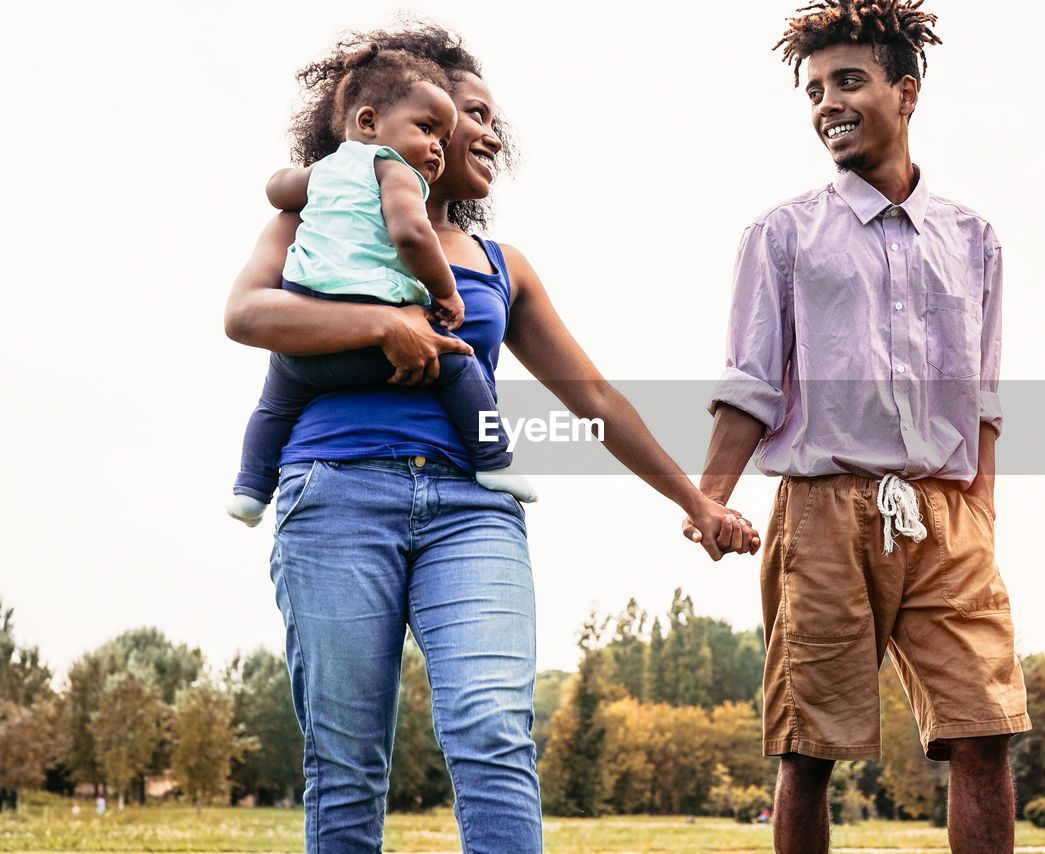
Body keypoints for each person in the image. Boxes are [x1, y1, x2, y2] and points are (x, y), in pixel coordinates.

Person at [224, 22, 759, 854]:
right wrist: (381, 323)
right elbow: (247, 315)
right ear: (391, 117)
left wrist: (698, 499)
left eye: (478, 118)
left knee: (492, 731)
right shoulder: (312, 217)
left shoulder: (500, 262)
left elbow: (593, 396)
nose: (484, 133)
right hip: (332, 494)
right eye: (466, 112)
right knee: (346, 758)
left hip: (472, 507)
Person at [684, 2, 1029, 852]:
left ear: (906, 92)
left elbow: (984, 398)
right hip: (823, 514)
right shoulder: (782, 235)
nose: (828, 104)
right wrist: (708, 496)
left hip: (946, 518)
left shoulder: (974, 238)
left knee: (984, 729)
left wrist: (979, 510)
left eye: (850, 81)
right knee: (812, 748)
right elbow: (749, 385)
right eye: (814, 90)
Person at [227, 45, 533, 528]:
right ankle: (495, 460)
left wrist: (291, 182)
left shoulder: (321, 184)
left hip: (306, 363)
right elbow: (412, 235)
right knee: (455, 361)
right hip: (335, 475)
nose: (437, 144)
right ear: (370, 122)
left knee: (274, 403)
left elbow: (277, 188)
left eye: (443, 134)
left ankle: (249, 488)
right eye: (430, 128)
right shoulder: (395, 171)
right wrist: (439, 297)